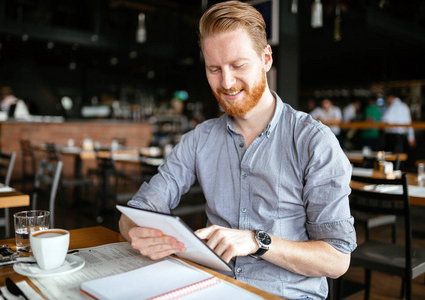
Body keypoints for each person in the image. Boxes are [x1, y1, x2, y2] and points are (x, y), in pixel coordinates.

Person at [119, 1, 356, 299]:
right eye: (214, 69)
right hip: (211, 290)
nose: (226, 82)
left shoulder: (313, 141)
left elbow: (337, 260)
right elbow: (134, 212)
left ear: (266, 58)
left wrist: (258, 241)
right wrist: (135, 231)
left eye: (238, 65)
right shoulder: (200, 139)